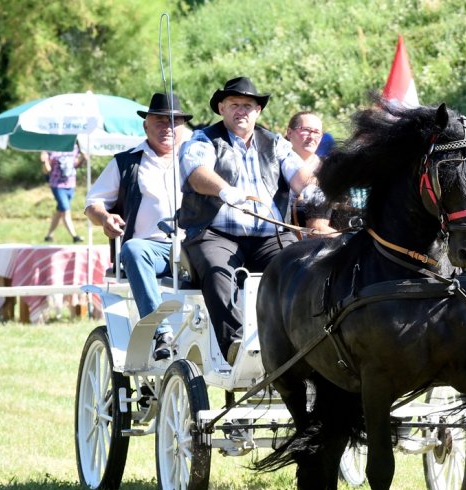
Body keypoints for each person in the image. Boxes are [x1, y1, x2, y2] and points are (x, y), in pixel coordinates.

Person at [178, 76, 321, 365]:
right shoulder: (203, 139)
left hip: (269, 237)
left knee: (303, 269)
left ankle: (302, 343)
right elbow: (196, 171)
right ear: (221, 108)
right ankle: (235, 346)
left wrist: (315, 177)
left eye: (248, 105)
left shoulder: (276, 144)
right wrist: (225, 190)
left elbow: (298, 176)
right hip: (215, 232)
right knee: (219, 272)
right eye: (234, 104)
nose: (241, 110)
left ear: (258, 111)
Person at [85, 93, 193, 361]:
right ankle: (161, 332)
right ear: (146, 125)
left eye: (173, 122)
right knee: (133, 249)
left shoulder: (197, 159)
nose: (167, 128)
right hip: (151, 249)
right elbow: (93, 204)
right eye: (159, 121)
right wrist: (105, 218)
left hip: (194, 248)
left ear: (182, 127)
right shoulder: (126, 162)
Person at [281, 111, 333, 235]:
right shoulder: (274, 166)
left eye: (316, 132)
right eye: (306, 130)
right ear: (289, 133)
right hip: (281, 237)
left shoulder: (329, 170)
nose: (311, 137)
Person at [41, 143, 87, 243]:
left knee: (60, 210)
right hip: (57, 185)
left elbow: (76, 165)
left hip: (70, 185)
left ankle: (49, 235)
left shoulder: (75, 147)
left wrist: (83, 158)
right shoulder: (50, 148)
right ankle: (75, 236)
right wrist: (44, 162)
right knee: (65, 209)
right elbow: (47, 170)